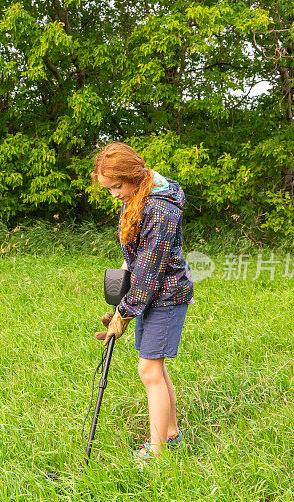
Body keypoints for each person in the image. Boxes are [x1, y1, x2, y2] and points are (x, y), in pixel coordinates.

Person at [92, 142, 194, 464]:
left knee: (149, 369)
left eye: (117, 187)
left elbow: (150, 272)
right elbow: (135, 258)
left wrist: (124, 313)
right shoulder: (138, 198)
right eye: (109, 189)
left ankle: (158, 453)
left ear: (133, 175)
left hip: (166, 296)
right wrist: (121, 286)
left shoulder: (161, 209)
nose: (114, 195)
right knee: (154, 369)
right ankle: (172, 433)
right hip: (148, 294)